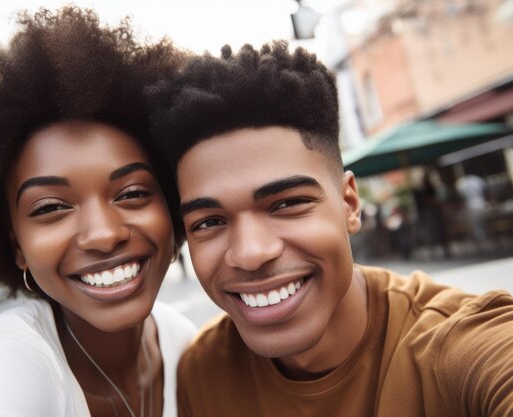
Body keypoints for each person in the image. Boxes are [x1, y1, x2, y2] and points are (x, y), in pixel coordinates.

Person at [147, 42, 513, 416]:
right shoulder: (203, 371)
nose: (251, 253)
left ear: (349, 204)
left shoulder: (460, 345)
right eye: (209, 222)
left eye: (287, 203)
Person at [0, 8, 196, 417]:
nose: (103, 234)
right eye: (51, 207)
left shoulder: (184, 344)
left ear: (172, 206)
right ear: (17, 246)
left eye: (132, 193)